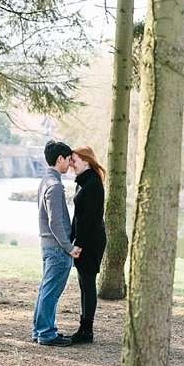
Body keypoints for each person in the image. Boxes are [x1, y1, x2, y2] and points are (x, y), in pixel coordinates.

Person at [32, 140, 81, 347]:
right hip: (56, 248)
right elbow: (55, 221)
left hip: (48, 246)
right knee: (51, 292)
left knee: (46, 289)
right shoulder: (54, 186)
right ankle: (46, 333)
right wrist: (68, 247)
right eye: (69, 159)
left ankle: (40, 330)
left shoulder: (46, 180)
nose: (70, 164)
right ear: (59, 159)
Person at [67, 146, 107, 344]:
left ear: (86, 161)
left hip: (92, 240)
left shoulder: (93, 184)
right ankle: (83, 328)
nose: (71, 164)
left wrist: (79, 244)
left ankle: (87, 331)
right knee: (83, 284)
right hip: (84, 239)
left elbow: (89, 218)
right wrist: (70, 238)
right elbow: (78, 217)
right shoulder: (82, 182)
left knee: (88, 284)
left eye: (74, 160)